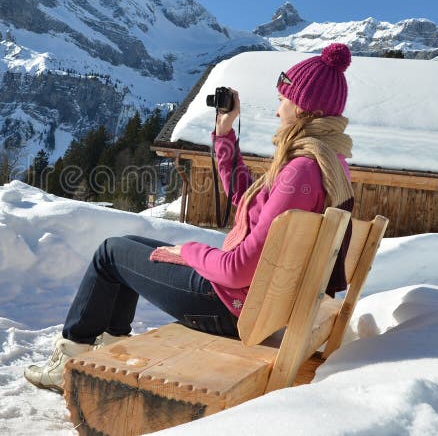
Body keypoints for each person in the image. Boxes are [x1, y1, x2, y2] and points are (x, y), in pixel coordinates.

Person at [24, 43, 356, 391]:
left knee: (110, 253)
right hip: (257, 302)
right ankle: (110, 346)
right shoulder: (328, 164)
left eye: (283, 100)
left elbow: (238, 268)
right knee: (130, 247)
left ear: (304, 108)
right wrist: (225, 135)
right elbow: (248, 201)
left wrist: (190, 252)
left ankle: (69, 358)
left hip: (231, 305)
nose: (278, 111)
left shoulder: (300, 170)